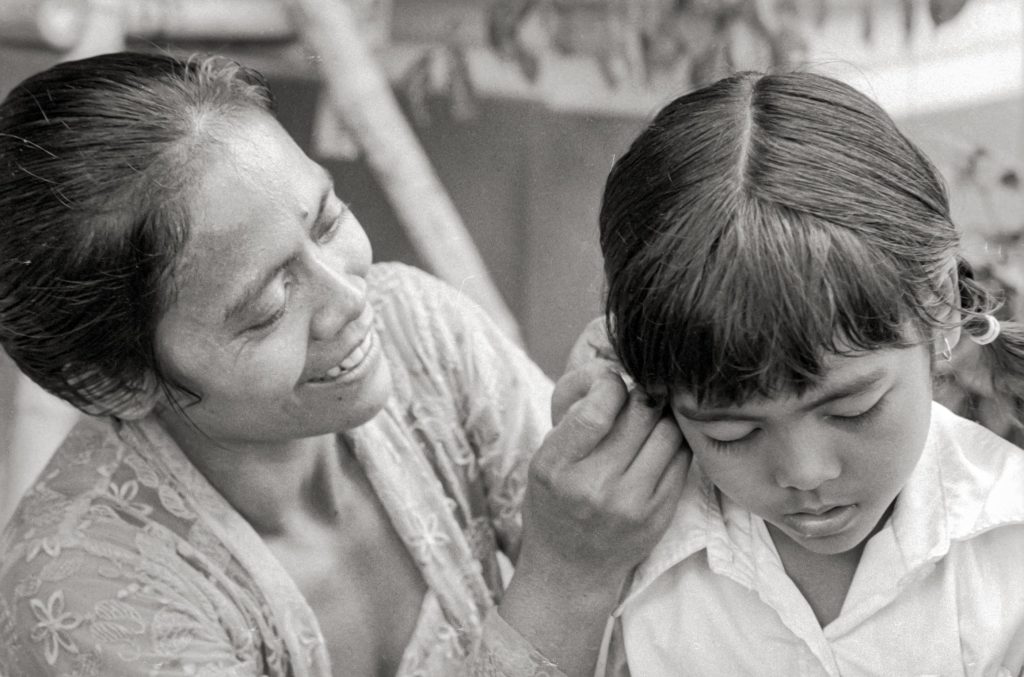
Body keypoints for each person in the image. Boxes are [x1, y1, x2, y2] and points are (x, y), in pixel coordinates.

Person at [0, 52, 687, 677]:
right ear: (115, 381)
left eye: (326, 219)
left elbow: (661, 591)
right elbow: (583, 557)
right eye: (268, 306)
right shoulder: (84, 594)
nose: (351, 297)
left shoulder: (420, 332)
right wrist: (565, 578)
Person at [579, 71, 1024, 675]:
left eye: (852, 410)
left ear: (940, 304)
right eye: (731, 435)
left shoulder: (1008, 548)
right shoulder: (627, 553)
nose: (805, 473)